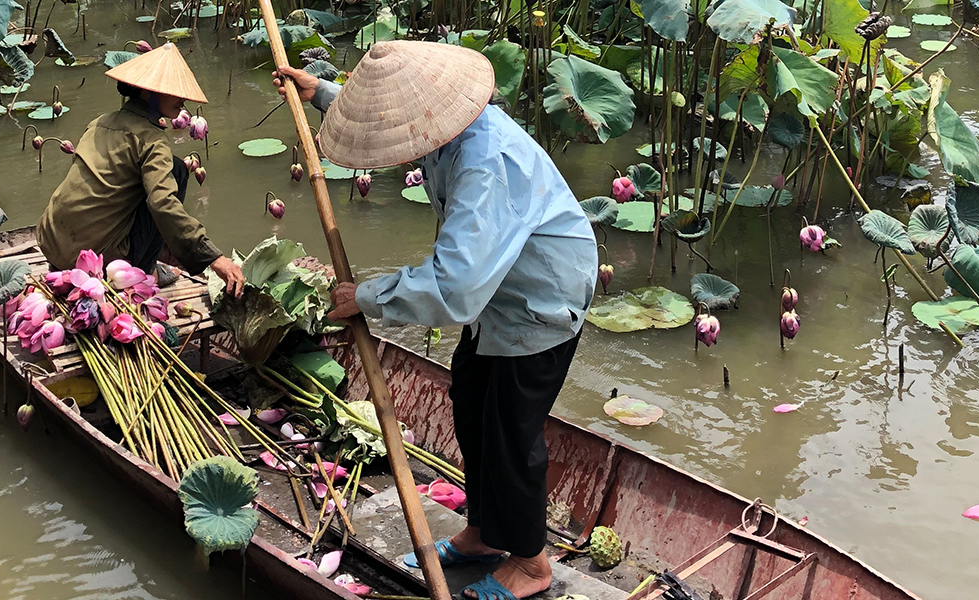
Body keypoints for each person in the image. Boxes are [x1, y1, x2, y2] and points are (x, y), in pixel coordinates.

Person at [275, 41, 597, 600]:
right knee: (471, 407)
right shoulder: (445, 128)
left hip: (540, 299)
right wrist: (322, 93)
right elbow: (392, 121)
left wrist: (366, 297)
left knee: (511, 435)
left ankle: (532, 562)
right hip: (500, 293)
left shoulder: (485, 162)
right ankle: (483, 534)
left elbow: (456, 286)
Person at [36, 42, 245, 297]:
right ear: (149, 93)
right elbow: (163, 204)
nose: (183, 101)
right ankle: (145, 273)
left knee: (168, 171)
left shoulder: (99, 123)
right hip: (94, 260)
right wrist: (214, 258)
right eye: (175, 92)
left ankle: (156, 257)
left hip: (51, 242)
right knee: (177, 173)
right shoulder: (153, 140)